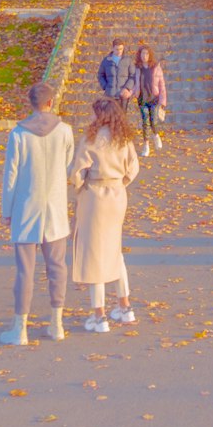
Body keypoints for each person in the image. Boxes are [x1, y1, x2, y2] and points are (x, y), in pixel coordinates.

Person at [0, 81, 74, 345]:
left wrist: (6, 209)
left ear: (30, 104)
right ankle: (57, 323)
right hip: (54, 207)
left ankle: (20, 327)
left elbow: (11, 174)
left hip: (25, 207)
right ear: (51, 102)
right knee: (58, 268)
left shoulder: (18, 134)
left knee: (25, 271)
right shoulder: (65, 131)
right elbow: (67, 165)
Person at [70, 97, 140, 332]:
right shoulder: (124, 139)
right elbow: (133, 168)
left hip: (95, 195)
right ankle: (125, 306)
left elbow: (77, 173)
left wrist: (80, 190)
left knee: (93, 254)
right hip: (117, 194)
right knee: (114, 250)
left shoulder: (91, 139)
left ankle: (99, 316)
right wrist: (121, 183)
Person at [134, 42, 167, 158]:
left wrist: (163, 101)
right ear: (140, 55)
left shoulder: (155, 68)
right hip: (142, 99)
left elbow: (162, 85)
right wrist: (134, 91)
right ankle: (146, 145)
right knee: (145, 122)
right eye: (143, 54)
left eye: (147, 54)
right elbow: (134, 82)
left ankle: (156, 135)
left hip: (153, 98)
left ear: (150, 55)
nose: (144, 56)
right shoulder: (137, 68)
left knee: (153, 121)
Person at [98, 37, 137, 112]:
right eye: (117, 49)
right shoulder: (106, 60)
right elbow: (100, 75)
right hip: (110, 95)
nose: (119, 51)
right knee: (111, 118)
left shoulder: (128, 60)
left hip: (123, 95)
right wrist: (105, 86)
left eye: (121, 49)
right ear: (112, 49)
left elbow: (133, 75)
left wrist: (127, 88)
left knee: (122, 118)